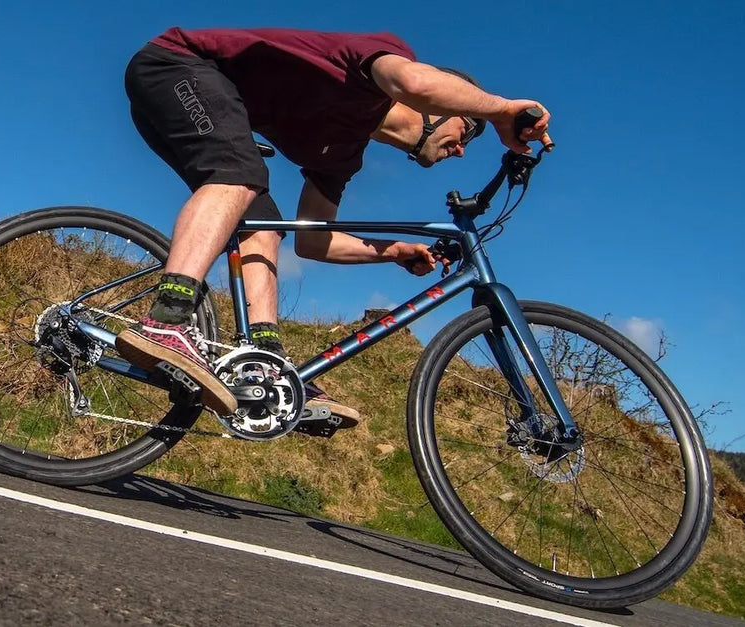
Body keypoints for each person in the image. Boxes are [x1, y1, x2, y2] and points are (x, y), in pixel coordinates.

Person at [116, 27, 551, 420]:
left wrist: (392, 253)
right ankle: (167, 320)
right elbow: (413, 81)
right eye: (468, 129)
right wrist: (500, 111)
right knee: (238, 173)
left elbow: (313, 240)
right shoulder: (382, 63)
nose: (462, 150)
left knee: (265, 225)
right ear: (437, 105)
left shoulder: (344, 154)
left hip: (189, 100)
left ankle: (264, 367)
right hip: (176, 66)